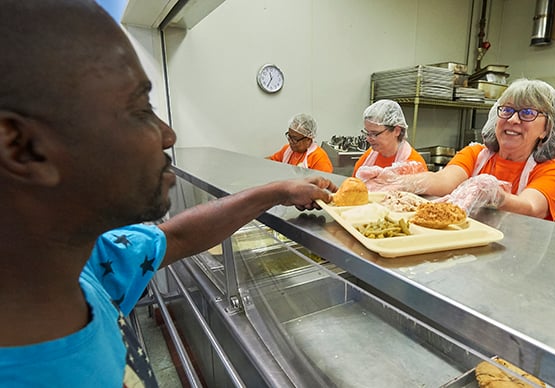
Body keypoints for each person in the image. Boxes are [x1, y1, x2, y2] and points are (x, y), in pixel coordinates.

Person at [0, 1, 337, 387]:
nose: (168, 135)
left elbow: (175, 236)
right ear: (24, 148)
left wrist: (278, 190)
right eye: (140, 108)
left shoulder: (83, 264)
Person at [365, 79, 555, 221]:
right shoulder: (475, 155)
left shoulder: (554, 172)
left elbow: (531, 207)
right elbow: (443, 182)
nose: (513, 119)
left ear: (546, 129)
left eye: (528, 113)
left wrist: (495, 196)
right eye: (507, 110)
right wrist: (398, 181)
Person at [352, 99, 428, 177]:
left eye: (374, 134)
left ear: (396, 131)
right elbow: (353, 186)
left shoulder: (414, 165)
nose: (368, 138)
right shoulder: (368, 158)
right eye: (367, 133)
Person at [267, 113, 334, 172]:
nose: (290, 141)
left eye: (295, 139)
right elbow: (270, 162)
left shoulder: (319, 158)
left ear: (308, 139)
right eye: (289, 136)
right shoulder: (287, 150)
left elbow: (324, 183)